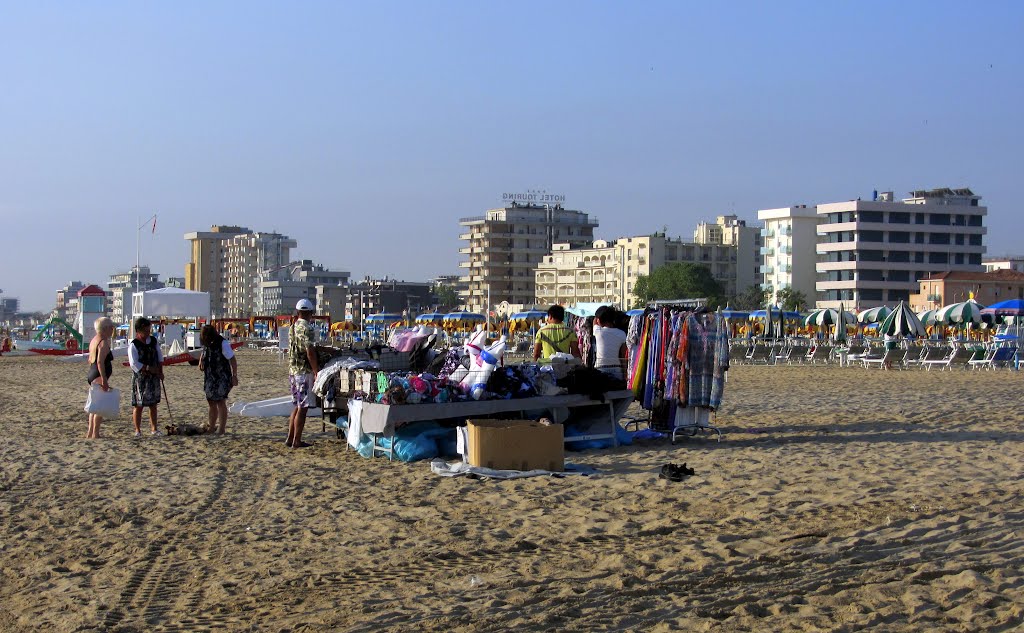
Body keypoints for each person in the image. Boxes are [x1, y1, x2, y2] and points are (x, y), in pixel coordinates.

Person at [286, 299, 320, 448]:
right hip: (303, 371)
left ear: (298, 312)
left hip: (293, 370)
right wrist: (316, 371)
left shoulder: (293, 327)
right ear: (311, 313)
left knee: (296, 405)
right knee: (303, 407)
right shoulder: (308, 328)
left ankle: (290, 438)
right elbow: (310, 352)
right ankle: (297, 441)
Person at [198, 324, 238, 435]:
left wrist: (234, 375)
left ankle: (221, 429)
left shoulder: (223, 343)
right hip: (210, 377)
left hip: (222, 377)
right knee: (211, 402)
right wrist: (201, 361)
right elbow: (204, 352)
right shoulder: (206, 343)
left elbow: (232, 360)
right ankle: (211, 427)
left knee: (221, 401)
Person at [128, 317, 164, 437]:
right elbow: (133, 363)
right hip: (140, 378)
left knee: (153, 404)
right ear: (139, 330)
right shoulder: (134, 344)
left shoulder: (153, 341)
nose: (148, 332)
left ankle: (154, 429)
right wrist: (148, 368)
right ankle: (137, 430)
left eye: (149, 329)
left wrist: (160, 371)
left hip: (153, 377)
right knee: (139, 405)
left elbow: (159, 357)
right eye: (146, 330)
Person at [86, 317, 116, 439]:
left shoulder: (94, 340)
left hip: (93, 373)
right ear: (105, 329)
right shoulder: (103, 342)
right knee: (99, 406)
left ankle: (90, 432)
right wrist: (104, 379)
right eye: (111, 328)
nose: (112, 330)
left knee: (94, 405)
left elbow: (91, 359)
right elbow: (100, 362)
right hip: (98, 374)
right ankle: (95, 433)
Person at [593, 308, 628, 379]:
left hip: (600, 369)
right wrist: (625, 374)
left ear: (598, 320)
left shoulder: (598, 331)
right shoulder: (622, 334)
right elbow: (623, 355)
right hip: (616, 369)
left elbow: (595, 322)